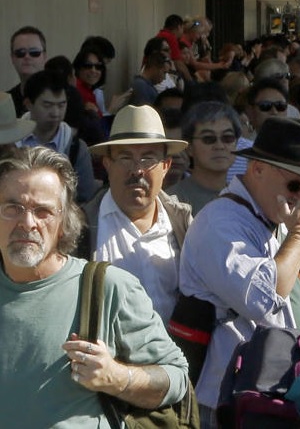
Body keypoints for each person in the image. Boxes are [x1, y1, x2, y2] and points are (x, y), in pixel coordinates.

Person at [0, 146, 189, 427]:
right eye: (12, 208)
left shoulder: (108, 288)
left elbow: (176, 378)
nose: (27, 223)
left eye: (43, 211)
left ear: (64, 222)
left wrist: (116, 377)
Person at [179, 117, 300, 424]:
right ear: (258, 169)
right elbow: (262, 300)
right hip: (231, 399)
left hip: (276, 392)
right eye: (296, 185)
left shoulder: (275, 217)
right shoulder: (220, 222)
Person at [78, 105, 191, 324]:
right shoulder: (81, 227)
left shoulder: (183, 224)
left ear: (166, 166)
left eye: (148, 158)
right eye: (125, 157)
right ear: (107, 164)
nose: (137, 170)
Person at [18, 70, 97, 202]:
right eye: (47, 105)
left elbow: (86, 200)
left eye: (61, 105)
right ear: (28, 104)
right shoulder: (11, 143)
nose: (55, 113)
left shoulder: (76, 148)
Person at [168, 101, 240, 215]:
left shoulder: (245, 198)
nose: (219, 146)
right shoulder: (173, 202)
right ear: (189, 147)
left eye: (227, 138)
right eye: (208, 138)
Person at [7, 26, 47, 116]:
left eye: (34, 52)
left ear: (44, 56)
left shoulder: (64, 97)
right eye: (20, 53)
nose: (27, 57)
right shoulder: (5, 102)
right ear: (12, 58)